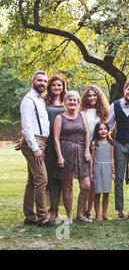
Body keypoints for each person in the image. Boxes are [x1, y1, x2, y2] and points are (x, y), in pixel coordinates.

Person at [53, 91, 92, 223]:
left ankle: (80, 215)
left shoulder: (82, 115)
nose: (72, 102)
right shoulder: (59, 118)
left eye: (75, 100)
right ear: (65, 102)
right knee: (67, 186)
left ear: (78, 102)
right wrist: (59, 156)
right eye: (70, 100)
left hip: (81, 151)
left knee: (86, 185)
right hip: (66, 151)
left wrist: (87, 151)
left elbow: (87, 134)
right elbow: (56, 139)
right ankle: (69, 216)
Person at [20, 70, 53, 227]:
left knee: (32, 180)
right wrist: (34, 147)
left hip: (40, 141)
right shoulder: (28, 100)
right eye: (39, 80)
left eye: (45, 81)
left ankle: (29, 216)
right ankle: (42, 218)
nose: (43, 83)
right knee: (42, 179)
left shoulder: (40, 100)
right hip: (35, 143)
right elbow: (26, 126)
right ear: (32, 81)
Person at [106, 79, 129, 220]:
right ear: (124, 89)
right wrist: (106, 141)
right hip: (120, 143)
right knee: (118, 179)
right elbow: (108, 124)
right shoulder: (115, 105)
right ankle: (120, 210)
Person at [79, 84, 110, 220]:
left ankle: (89, 211)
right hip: (84, 148)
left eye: (94, 95)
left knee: (93, 183)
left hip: (97, 149)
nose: (92, 97)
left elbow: (106, 129)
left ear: (98, 96)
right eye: (89, 95)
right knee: (85, 182)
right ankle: (82, 209)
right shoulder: (82, 112)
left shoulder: (103, 113)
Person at [43, 74, 67, 222]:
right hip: (48, 144)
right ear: (49, 87)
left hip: (63, 144)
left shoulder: (67, 102)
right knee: (49, 178)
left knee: (61, 179)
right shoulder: (44, 102)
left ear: (63, 87)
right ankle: (49, 209)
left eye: (59, 85)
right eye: (54, 85)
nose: (57, 88)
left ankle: (57, 210)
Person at [90, 121, 115, 221]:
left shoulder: (111, 143)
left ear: (108, 130)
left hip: (107, 168)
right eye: (100, 129)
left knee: (106, 192)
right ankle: (97, 215)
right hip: (97, 168)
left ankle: (104, 214)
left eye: (105, 129)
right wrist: (91, 172)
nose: (103, 131)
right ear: (97, 131)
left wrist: (113, 171)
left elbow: (112, 158)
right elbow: (91, 158)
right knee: (97, 192)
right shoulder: (94, 143)